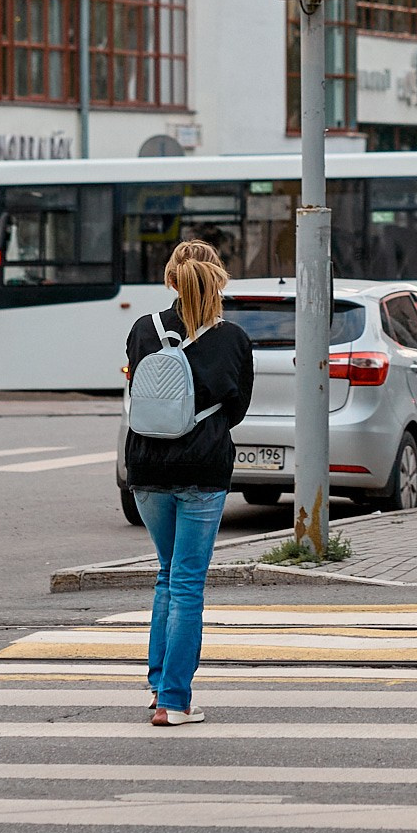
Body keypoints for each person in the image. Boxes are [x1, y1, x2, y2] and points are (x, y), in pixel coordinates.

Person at [121, 239, 252, 727]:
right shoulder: (233, 338)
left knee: (166, 574)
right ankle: (176, 700)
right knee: (188, 583)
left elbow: (136, 388)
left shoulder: (142, 329)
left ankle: (159, 688)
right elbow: (237, 410)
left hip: (146, 469)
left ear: (170, 279)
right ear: (219, 281)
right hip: (202, 468)